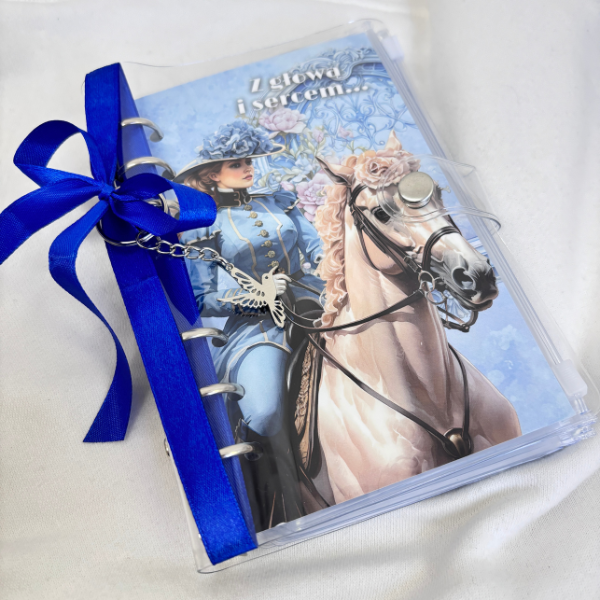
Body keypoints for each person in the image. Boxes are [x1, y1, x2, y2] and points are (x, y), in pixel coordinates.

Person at [175, 120, 324, 530]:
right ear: (212, 174)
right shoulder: (203, 224)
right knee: (264, 411)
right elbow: (202, 297)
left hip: (315, 299)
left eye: (249, 161)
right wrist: (258, 297)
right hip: (258, 324)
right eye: (236, 164)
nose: (248, 169)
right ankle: (273, 499)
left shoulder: (279, 202)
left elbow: (318, 248)